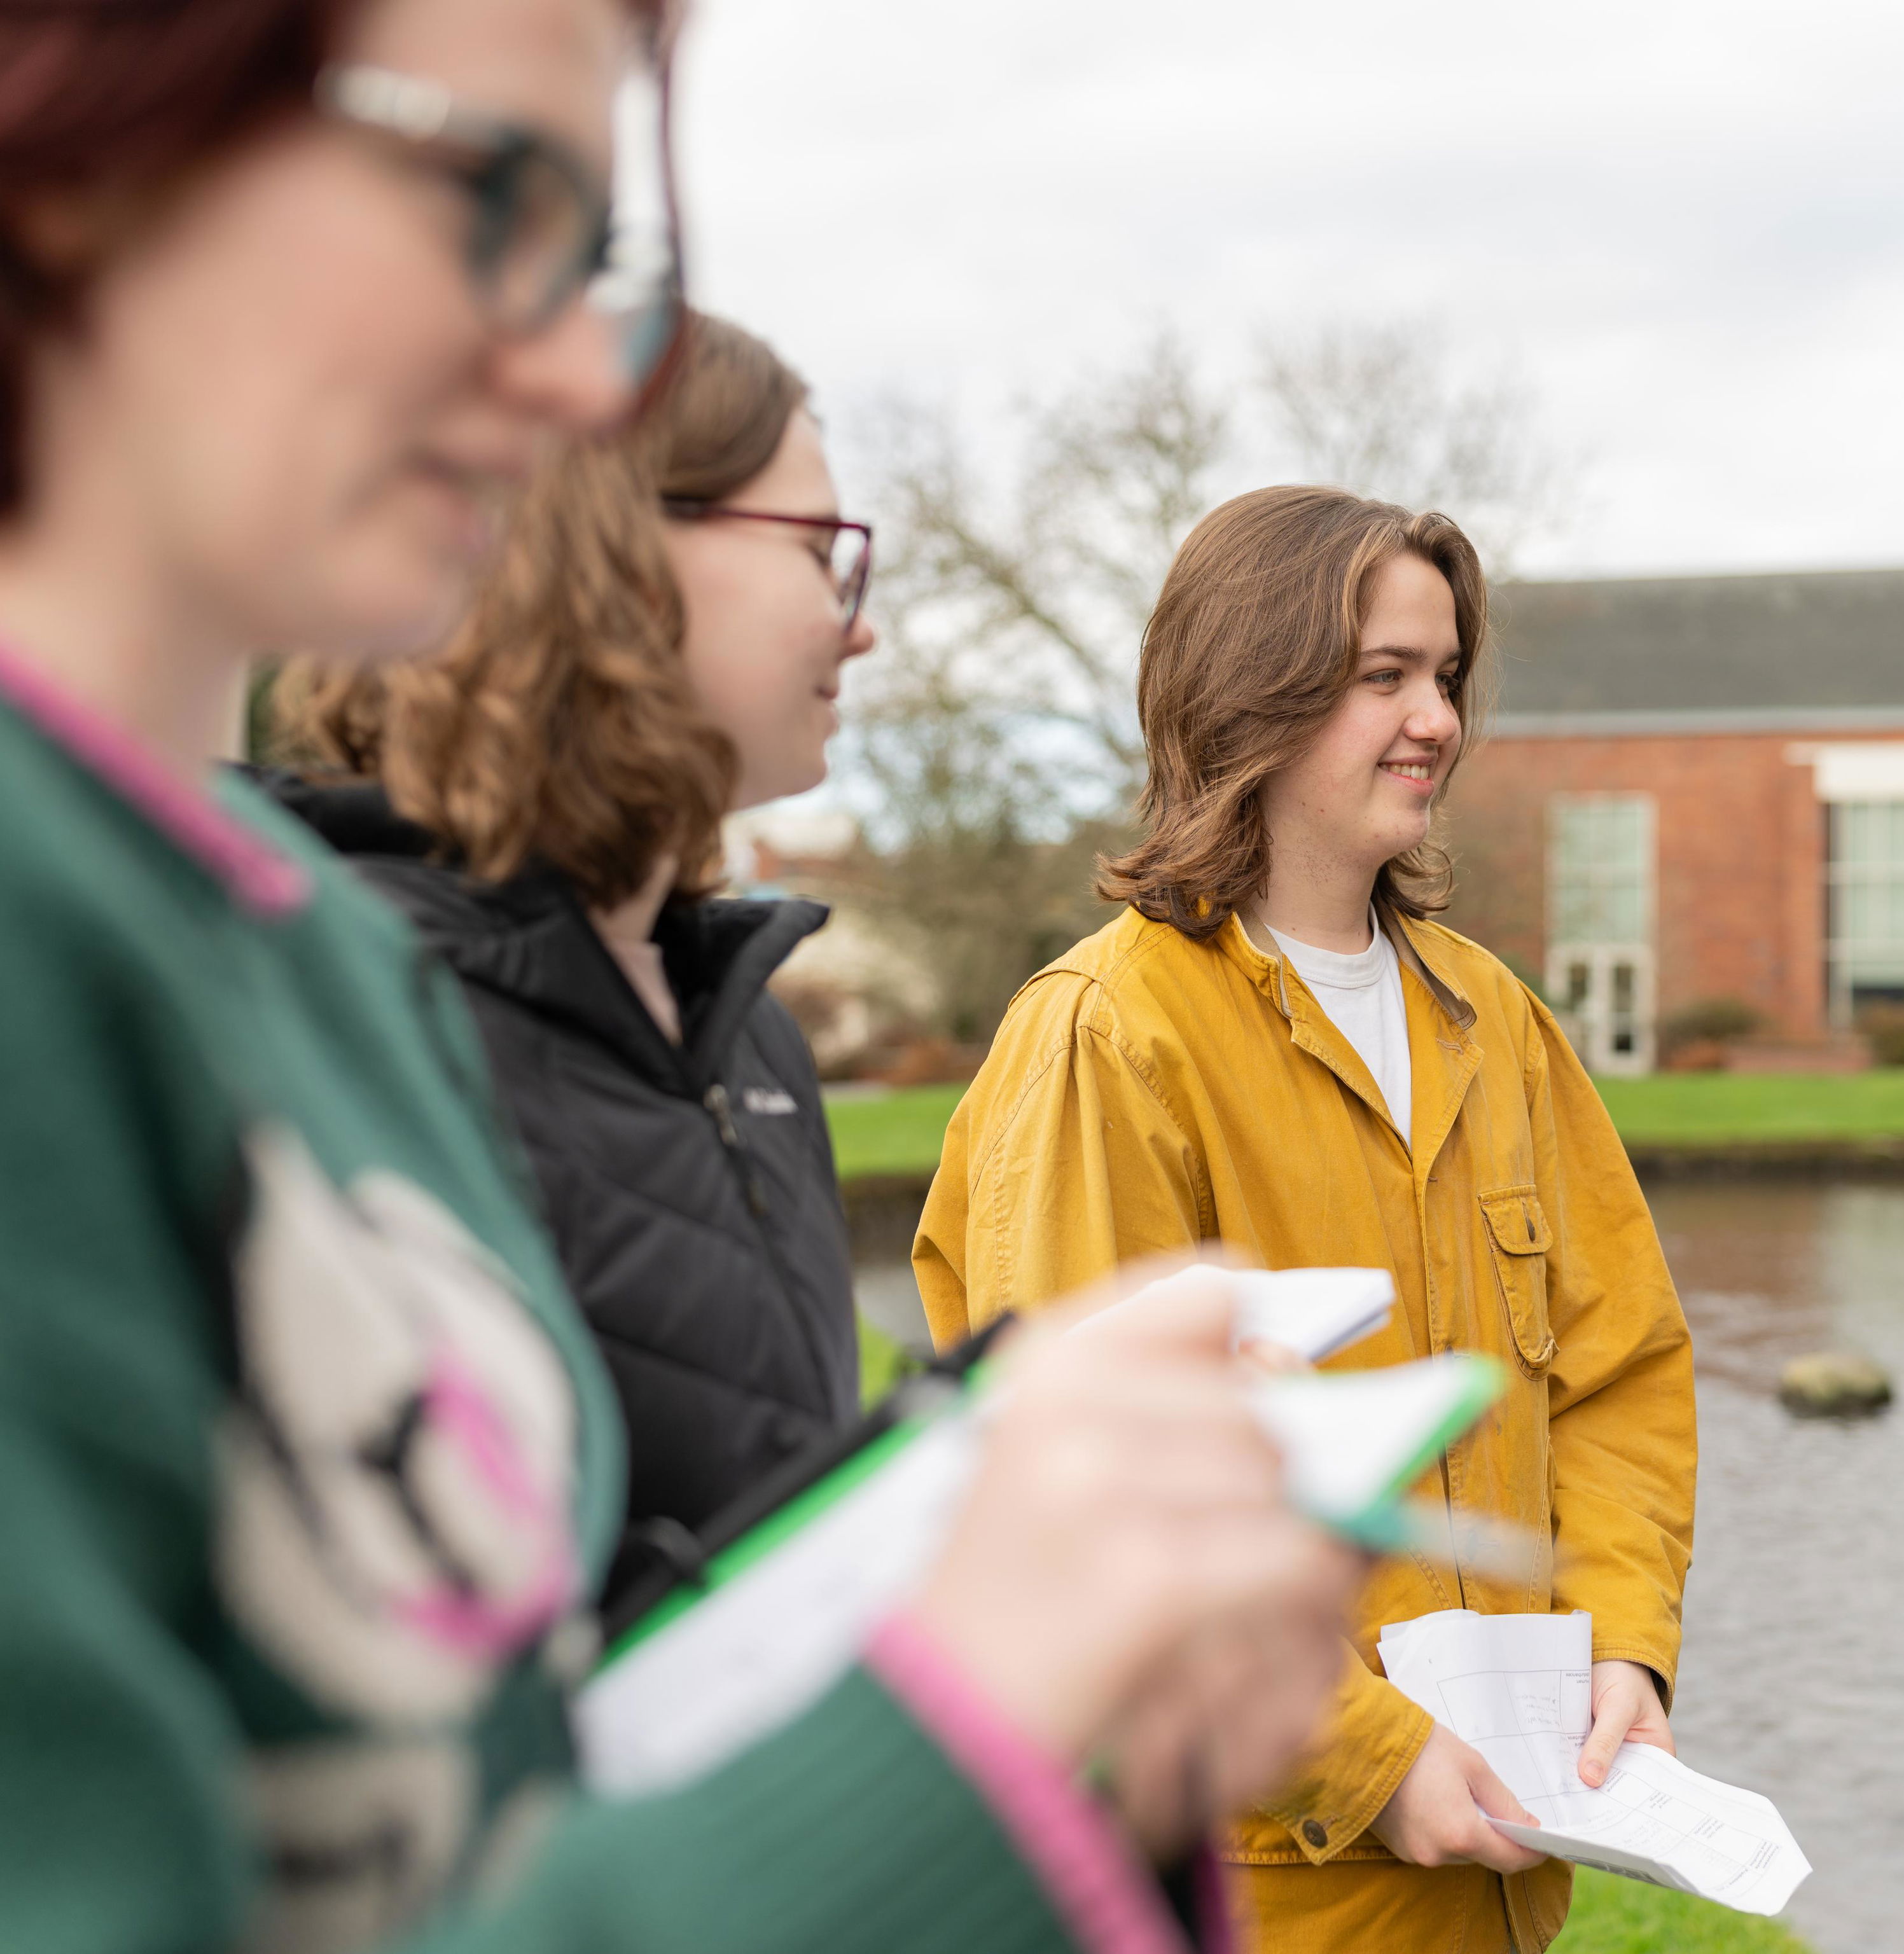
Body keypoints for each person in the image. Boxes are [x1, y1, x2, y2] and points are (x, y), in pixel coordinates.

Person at [0, 5, 1357, 1952]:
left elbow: (475, 1813)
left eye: (600, 259)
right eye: (490, 190)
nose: (570, 372)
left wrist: (1066, 1657)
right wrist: (952, 1741)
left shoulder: (309, 976)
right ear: (92, 115)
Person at [915, 485, 1700, 1954]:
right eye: (1382, 677)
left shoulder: (1498, 1024)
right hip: (1250, 1896)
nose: (1435, 720)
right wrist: (1368, 1760)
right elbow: (1092, 1485)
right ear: (1249, 698)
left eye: (1446, 677)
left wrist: (1624, 1652)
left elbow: (1618, 1381)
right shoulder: (1108, 1035)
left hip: (1501, 1884)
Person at [271, 310, 875, 1599]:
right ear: (606, 552)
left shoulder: (745, 1022)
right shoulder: (342, 1012)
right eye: (821, 551)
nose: (855, 622)